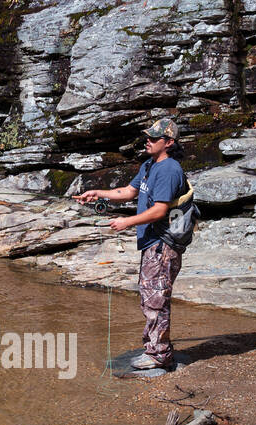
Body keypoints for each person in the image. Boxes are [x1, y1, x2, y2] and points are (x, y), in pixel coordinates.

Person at [73, 117, 187, 372]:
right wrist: (98, 193)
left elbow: (159, 210)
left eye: (153, 138)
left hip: (163, 244)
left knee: (156, 298)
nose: (147, 141)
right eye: (148, 136)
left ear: (168, 143)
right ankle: (155, 348)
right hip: (151, 243)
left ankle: (159, 355)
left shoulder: (169, 169)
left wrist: (128, 222)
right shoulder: (149, 164)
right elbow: (128, 192)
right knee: (149, 296)